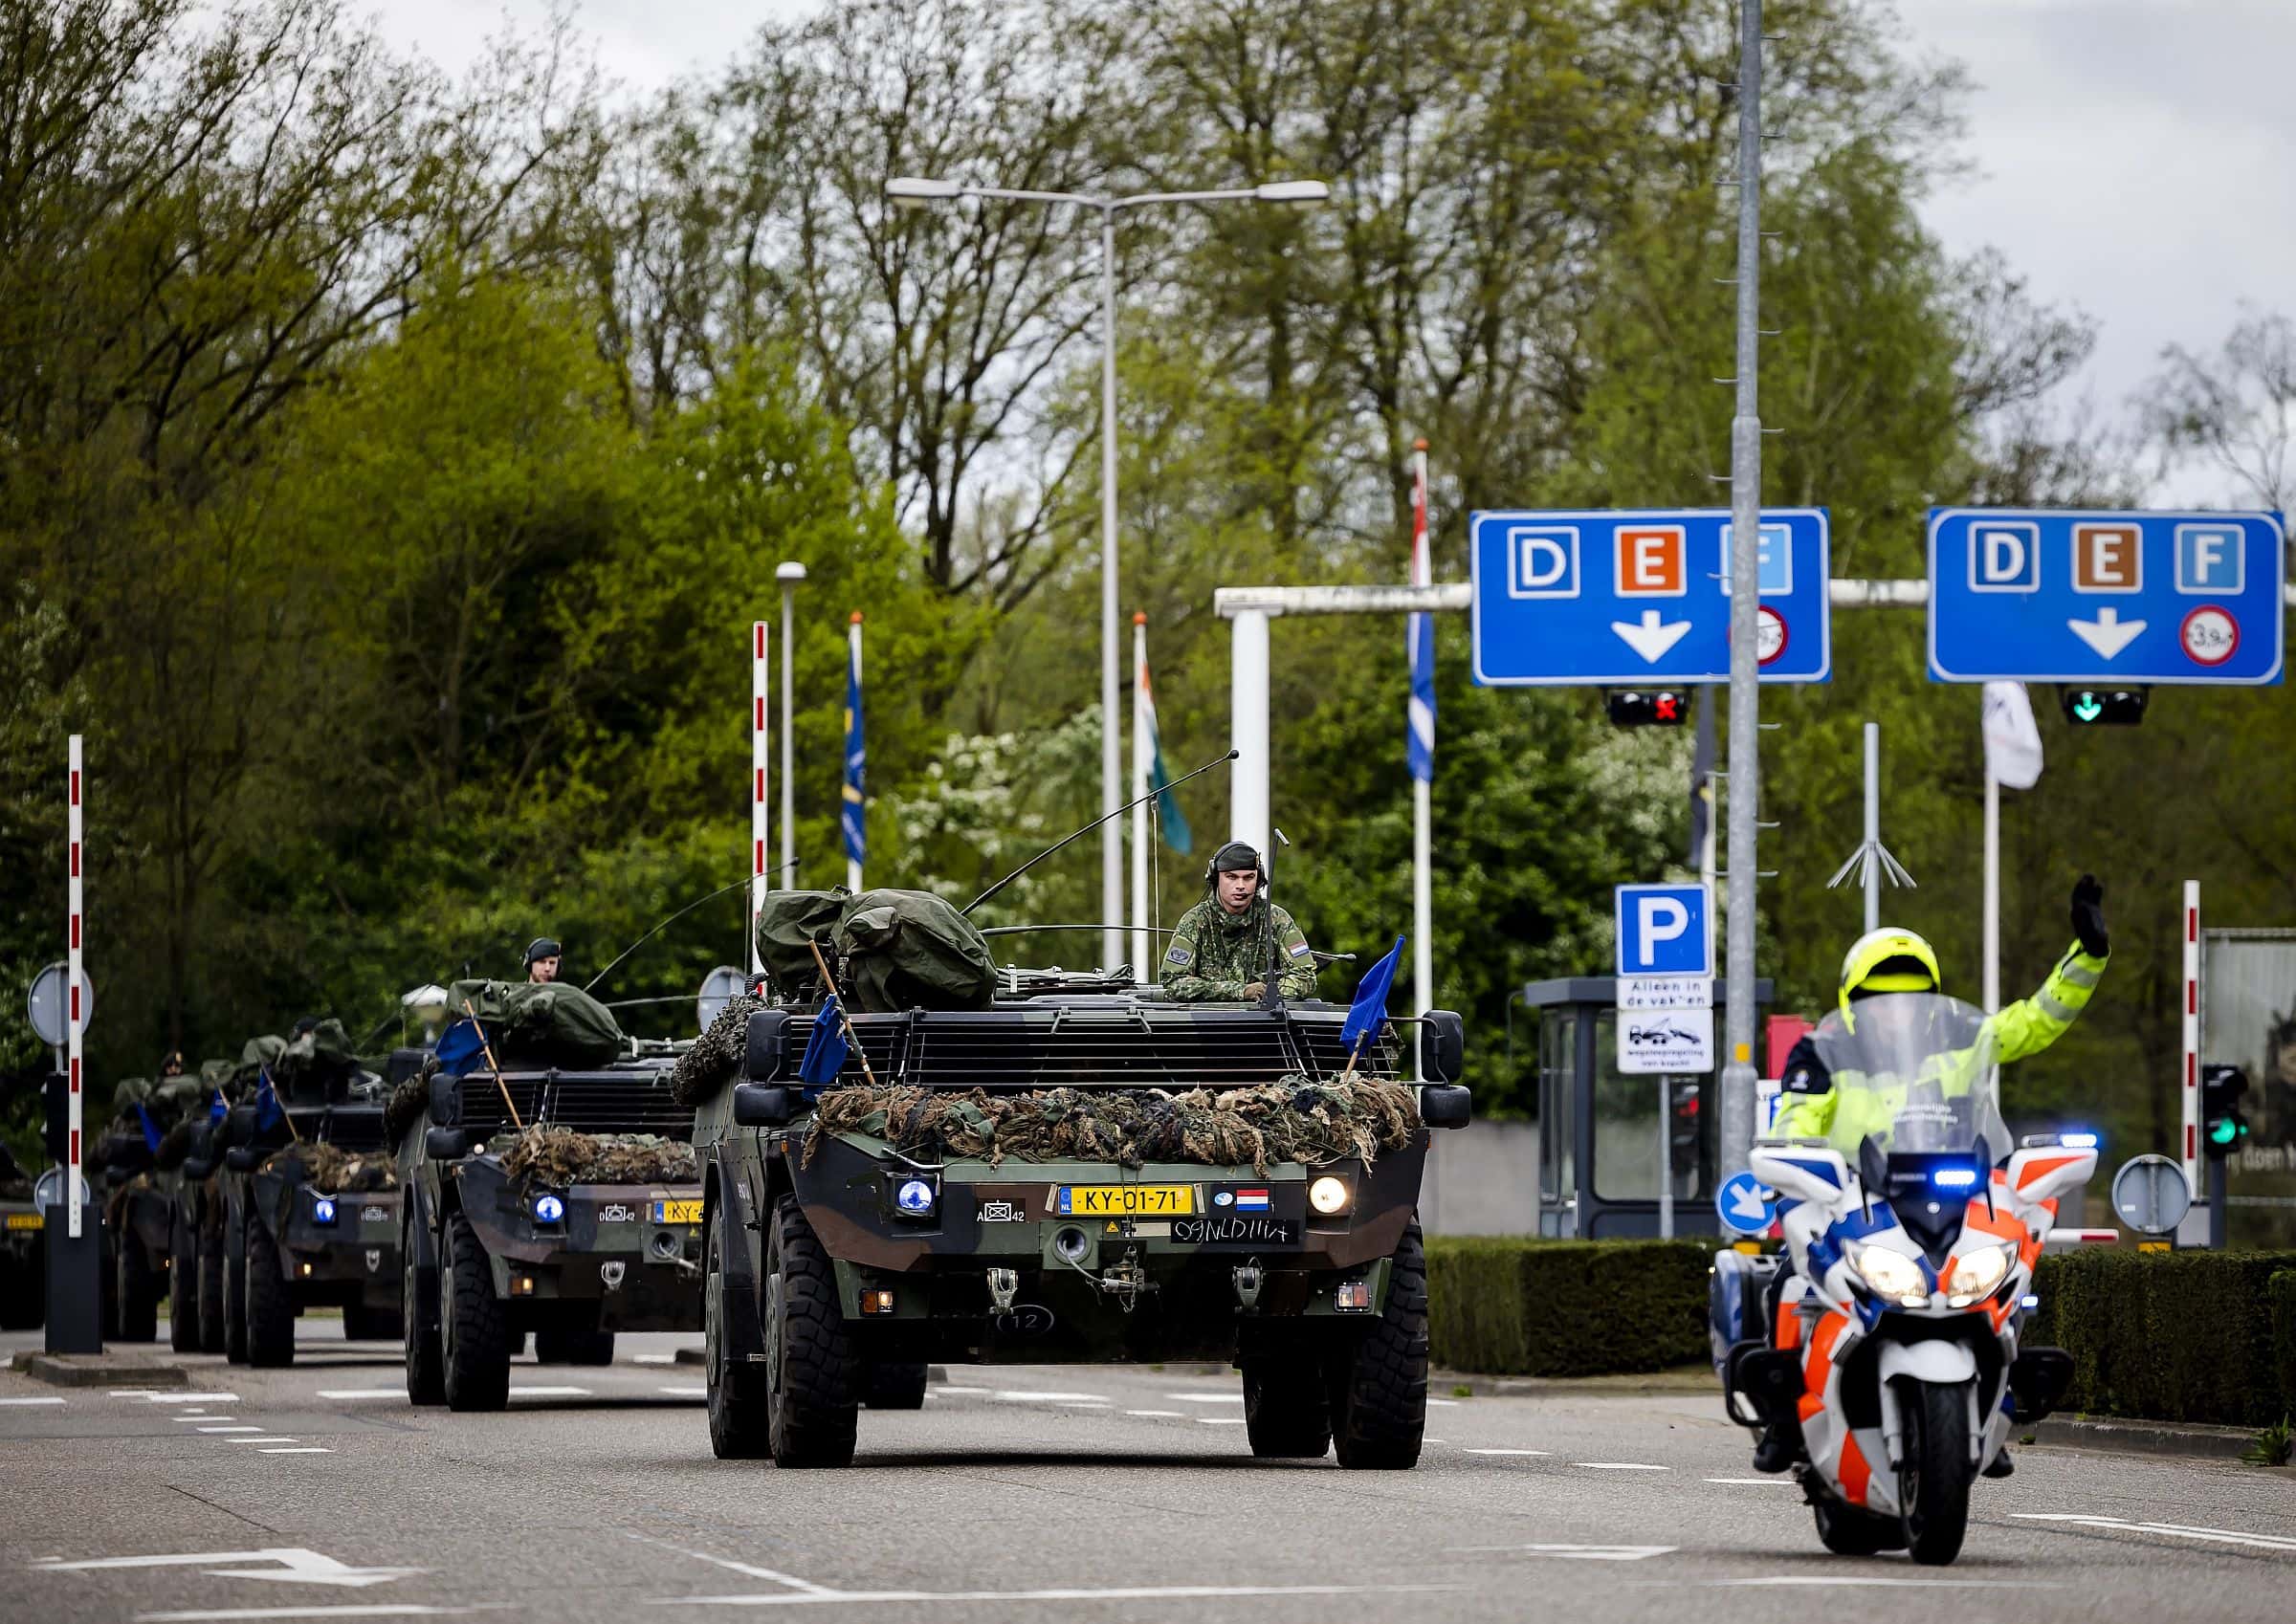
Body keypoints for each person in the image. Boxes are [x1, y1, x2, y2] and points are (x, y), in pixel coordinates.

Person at [1749, 873, 2112, 1478]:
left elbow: (2036, 1020)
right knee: (1790, 1282)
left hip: (1949, 1197)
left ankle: (1996, 1411)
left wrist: (2089, 955)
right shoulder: (1821, 1052)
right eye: (1878, 997)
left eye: (1909, 995)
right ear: (1852, 1000)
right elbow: (1795, 1123)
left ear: (1931, 996)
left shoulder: (1963, 1037)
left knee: (2005, 1287)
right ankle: (1785, 1423)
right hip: (1855, 1202)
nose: (1893, 1008)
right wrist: (1796, 1167)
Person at [1160, 842, 1318, 1002]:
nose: (1241, 886)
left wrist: (1267, 993)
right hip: (1208, 1021)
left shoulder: (1276, 920)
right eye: (1231, 877)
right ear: (1216, 878)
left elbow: (1305, 976)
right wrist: (1240, 991)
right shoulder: (1195, 922)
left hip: (1266, 1022)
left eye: (1249, 877)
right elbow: (1173, 981)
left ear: (1258, 880)